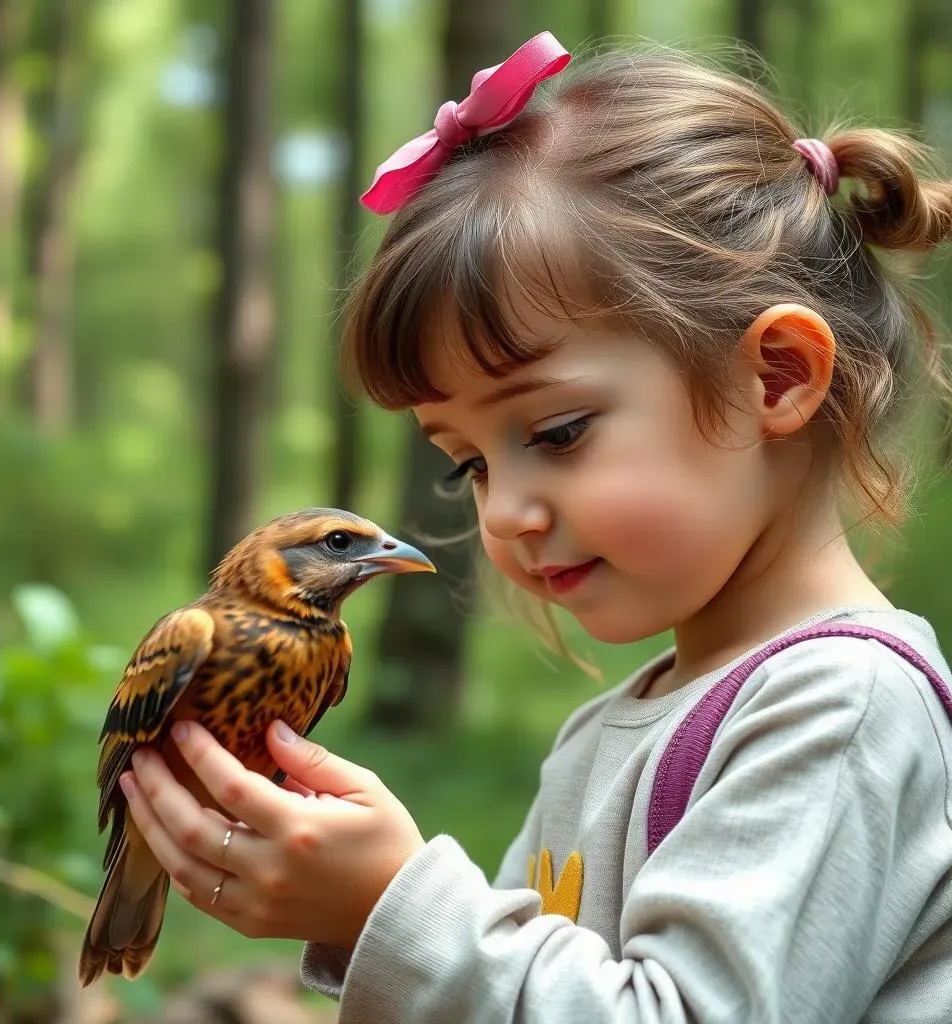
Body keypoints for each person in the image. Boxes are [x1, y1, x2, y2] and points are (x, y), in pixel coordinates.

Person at [119, 32, 952, 1023]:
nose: (500, 511)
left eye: (557, 432)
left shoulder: (842, 708)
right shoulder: (606, 733)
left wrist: (398, 908)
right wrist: (366, 924)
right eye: (467, 462)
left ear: (772, 376)